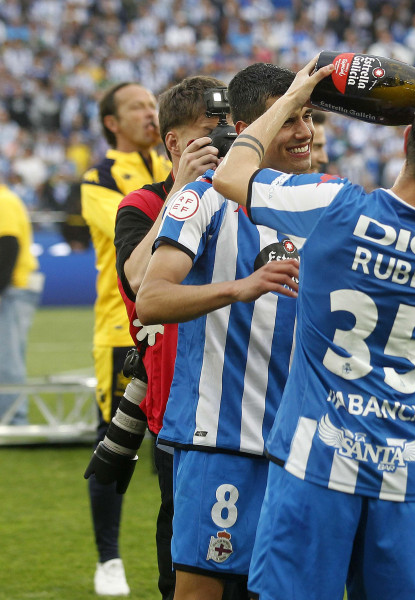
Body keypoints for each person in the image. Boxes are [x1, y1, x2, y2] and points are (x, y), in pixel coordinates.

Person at [211, 57, 415, 600]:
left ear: (405, 137)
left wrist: (295, 97)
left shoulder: (334, 204)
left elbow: (230, 176)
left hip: (313, 459)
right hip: (405, 472)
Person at [134, 62, 312, 600]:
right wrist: (240, 287)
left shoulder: (319, 199)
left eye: (308, 117)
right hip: (221, 439)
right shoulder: (202, 197)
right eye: (289, 120)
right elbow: (152, 297)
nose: (304, 132)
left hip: (299, 446)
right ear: (249, 128)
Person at [112, 75, 226, 600]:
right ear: (175, 143)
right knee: (182, 566)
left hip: (244, 401)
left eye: (230, 126)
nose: (225, 138)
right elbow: (139, 279)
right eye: (211, 130)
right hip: (178, 409)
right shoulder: (141, 203)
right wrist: (182, 192)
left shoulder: (244, 194)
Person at [80, 81, 171, 596]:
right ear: (112, 122)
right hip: (122, 332)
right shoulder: (100, 179)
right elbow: (138, 237)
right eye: (136, 106)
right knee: (117, 447)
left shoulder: (169, 171)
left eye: (152, 104)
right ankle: (108, 558)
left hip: (174, 326)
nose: (149, 113)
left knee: (174, 447)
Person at [0, 183, 43, 425]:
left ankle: (14, 419)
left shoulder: (3, 201)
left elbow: (8, 247)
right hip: (14, 286)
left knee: (7, 356)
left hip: (13, 287)